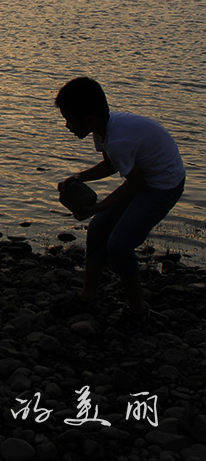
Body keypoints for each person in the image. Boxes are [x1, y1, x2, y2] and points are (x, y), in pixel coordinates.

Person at [56, 76, 185, 326]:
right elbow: (111, 164)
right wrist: (78, 177)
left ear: (89, 120)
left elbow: (135, 182)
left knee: (119, 245)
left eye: (69, 120)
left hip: (164, 185)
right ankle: (88, 297)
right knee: (98, 230)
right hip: (145, 176)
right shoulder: (104, 128)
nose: (67, 126)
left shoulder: (118, 140)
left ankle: (138, 310)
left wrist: (98, 207)